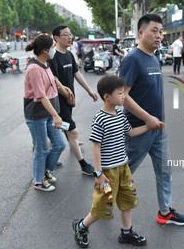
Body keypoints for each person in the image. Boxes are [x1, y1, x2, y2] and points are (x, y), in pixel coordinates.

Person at [119, 13, 184, 226]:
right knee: (122, 173)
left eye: (161, 32)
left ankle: (165, 212)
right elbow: (122, 95)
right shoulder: (133, 59)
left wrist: (156, 121)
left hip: (158, 128)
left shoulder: (153, 57)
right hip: (139, 130)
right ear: (141, 33)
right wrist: (147, 118)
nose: (159, 36)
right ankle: (101, 201)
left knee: (165, 170)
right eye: (154, 31)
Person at [73, 75, 149, 248]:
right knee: (102, 205)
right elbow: (96, 147)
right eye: (120, 93)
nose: (124, 97)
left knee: (127, 200)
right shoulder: (100, 118)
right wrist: (98, 174)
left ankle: (126, 233)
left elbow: (131, 133)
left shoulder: (120, 115)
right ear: (107, 96)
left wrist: (150, 125)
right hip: (107, 173)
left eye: (124, 93)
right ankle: (81, 227)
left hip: (123, 168)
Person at [49, 25, 98, 175]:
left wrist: (89, 90)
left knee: (58, 128)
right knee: (73, 132)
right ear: (56, 38)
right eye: (65, 35)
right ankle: (84, 165)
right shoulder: (53, 57)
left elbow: (77, 74)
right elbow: (55, 82)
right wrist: (68, 96)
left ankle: (50, 156)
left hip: (68, 101)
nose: (70, 37)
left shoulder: (69, 54)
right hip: (58, 101)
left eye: (70, 34)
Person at [24, 34, 67, 191]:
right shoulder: (34, 68)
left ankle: (45, 170)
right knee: (41, 148)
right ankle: (38, 180)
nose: (55, 48)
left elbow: (51, 88)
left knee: (60, 144)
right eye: (52, 46)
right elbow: (41, 95)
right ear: (45, 50)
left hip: (49, 113)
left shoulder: (46, 64)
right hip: (37, 115)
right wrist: (56, 115)